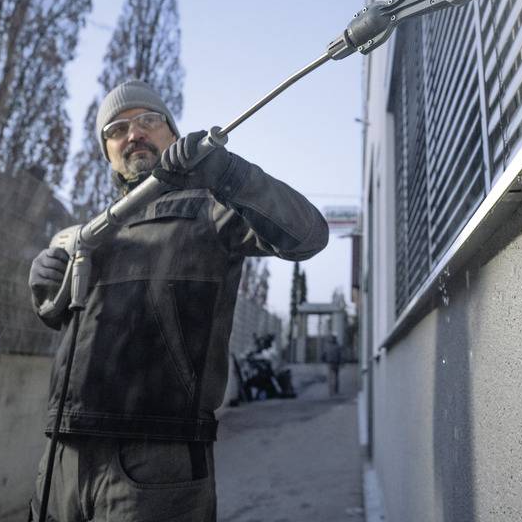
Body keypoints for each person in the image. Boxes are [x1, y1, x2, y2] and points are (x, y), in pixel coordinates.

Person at [27, 80, 328, 521]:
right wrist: (44, 290)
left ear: (172, 132)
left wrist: (228, 174)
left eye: (148, 120)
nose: (134, 134)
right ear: (107, 151)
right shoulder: (88, 236)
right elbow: (63, 322)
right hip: (61, 455)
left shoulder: (210, 209)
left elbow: (309, 236)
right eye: (117, 129)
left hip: (154, 462)